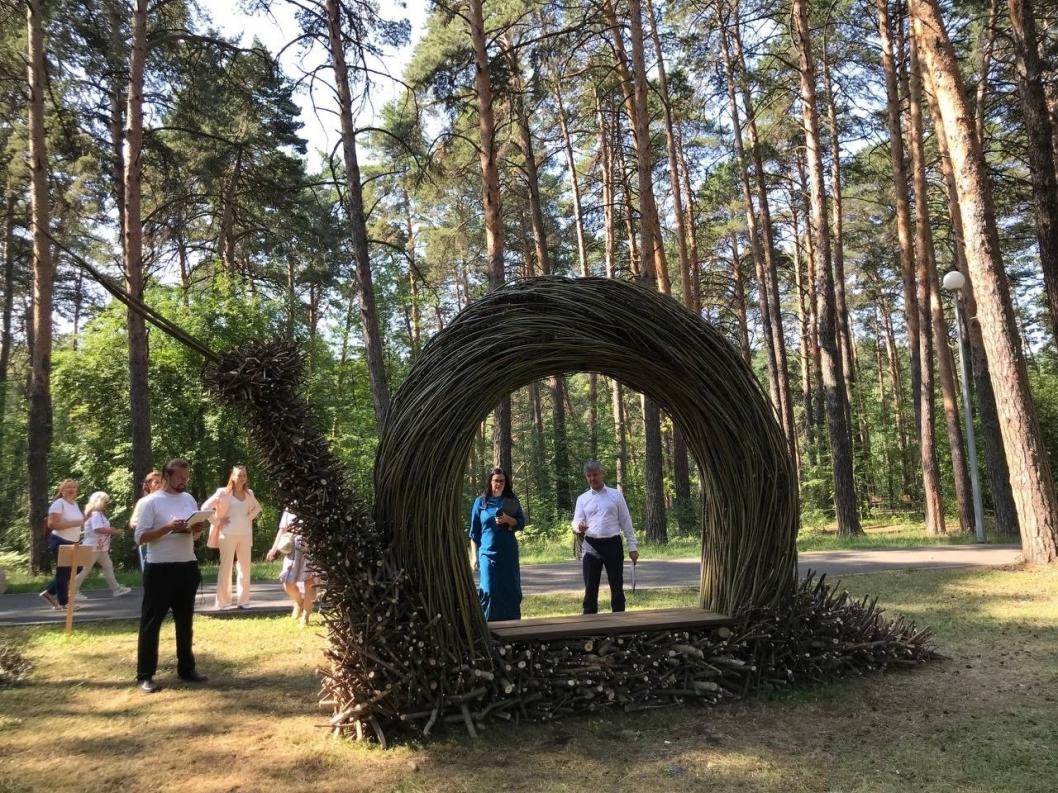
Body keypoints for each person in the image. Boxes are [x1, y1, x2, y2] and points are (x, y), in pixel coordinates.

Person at [134, 458, 207, 693]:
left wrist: (196, 529)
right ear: (167, 475)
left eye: (187, 478)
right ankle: (145, 675)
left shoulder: (188, 499)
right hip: (160, 569)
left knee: (185, 621)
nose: (184, 482)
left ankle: (187, 669)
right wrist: (168, 527)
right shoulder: (150, 503)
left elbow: (193, 535)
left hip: (186, 566)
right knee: (151, 622)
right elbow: (140, 537)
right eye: (180, 478)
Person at [572, 460, 639, 614]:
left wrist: (632, 547)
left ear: (602, 474)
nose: (592, 478)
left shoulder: (616, 495)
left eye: (595, 474)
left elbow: (626, 521)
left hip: (612, 543)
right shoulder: (582, 498)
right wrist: (578, 527)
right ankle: (589, 620)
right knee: (590, 587)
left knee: (616, 586)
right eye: (589, 476)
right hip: (590, 545)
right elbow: (576, 521)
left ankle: (619, 619)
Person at [468, 467, 525, 621]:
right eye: (495, 481)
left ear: (505, 483)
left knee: (511, 590)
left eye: (502, 481)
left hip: (508, 554)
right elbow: (474, 533)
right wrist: (474, 556)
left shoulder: (511, 500)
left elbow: (521, 523)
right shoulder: (480, 502)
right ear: (490, 482)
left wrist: (508, 519)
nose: (498, 484)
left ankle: (513, 627)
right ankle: (488, 628)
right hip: (487, 554)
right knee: (489, 590)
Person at [202, 465, 262, 610]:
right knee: (226, 568)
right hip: (227, 534)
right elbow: (204, 508)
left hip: (245, 535)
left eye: (244, 475)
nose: (242, 478)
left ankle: (243, 601)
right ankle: (223, 602)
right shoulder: (223, 492)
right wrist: (217, 521)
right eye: (239, 475)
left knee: (245, 568)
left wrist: (248, 517)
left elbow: (258, 508)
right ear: (233, 477)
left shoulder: (250, 493)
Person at [73, 491, 132, 598]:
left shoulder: (96, 514)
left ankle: (116, 588)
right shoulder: (96, 514)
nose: (107, 504)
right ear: (100, 502)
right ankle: (72, 591)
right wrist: (113, 531)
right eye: (105, 501)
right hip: (93, 546)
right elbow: (98, 529)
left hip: (99, 547)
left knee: (108, 565)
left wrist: (110, 530)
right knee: (86, 569)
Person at [266, 509, 318, 627]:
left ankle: (305, 616)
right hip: (292, 549)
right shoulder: (290, 508)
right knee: (287, 582)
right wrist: (273, 550)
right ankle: (300, 602)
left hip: (310, 547)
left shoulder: (313, 504)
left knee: (309, 582)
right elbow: (282, 530)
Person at [39, 479, 84, 610]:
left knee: (78, 567)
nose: (71, 490)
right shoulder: (59, 504)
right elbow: (52, 524)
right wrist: (76, 523)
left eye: (74, 488)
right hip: (59, 540)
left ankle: (50, 592)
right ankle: (64, 603)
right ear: (62, 490)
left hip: (73, 542)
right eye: (68, 487)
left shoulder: (74, 504)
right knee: (63, 571)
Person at [130, 470, 164, 571]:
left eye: (162, 482)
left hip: (166, 545)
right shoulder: (143, 502)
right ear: (149, 485)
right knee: (152, 575)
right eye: (156, 482)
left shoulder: (168, 500)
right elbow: (133, 522)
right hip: (149, 544)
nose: (160, 485)